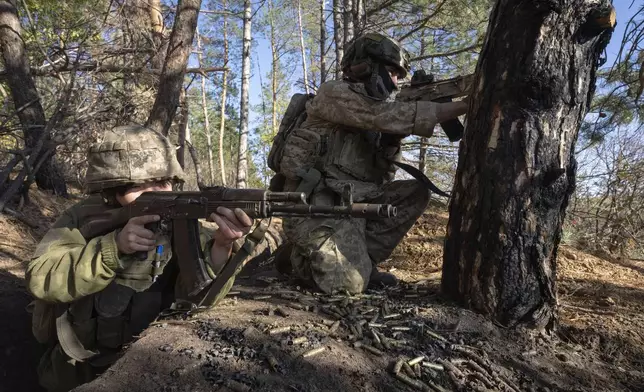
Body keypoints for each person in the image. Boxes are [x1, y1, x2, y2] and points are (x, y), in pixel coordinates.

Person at [25, 125, 254, 392]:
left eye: (163, 182)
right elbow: (41, 278)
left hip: (150, 364)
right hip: (79, 363)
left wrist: (222, 246)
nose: (156, 193)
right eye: (139, 185)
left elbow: (198, 298)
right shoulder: (84, 217)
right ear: (110, 189)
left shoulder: (181, 222)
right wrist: (113, 247)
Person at [272, 32, 468, 294]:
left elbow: (383, 174)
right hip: (319, 208)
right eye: (391, 71)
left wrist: (392, 140)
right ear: (365, 67)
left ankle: (363, 261)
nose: (396, 82)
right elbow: (382, 115)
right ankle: (299, 258)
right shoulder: (334, 93)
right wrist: (467, 104)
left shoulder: (375, 115)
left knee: (415, 192)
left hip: (356, 205)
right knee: (348, 287)